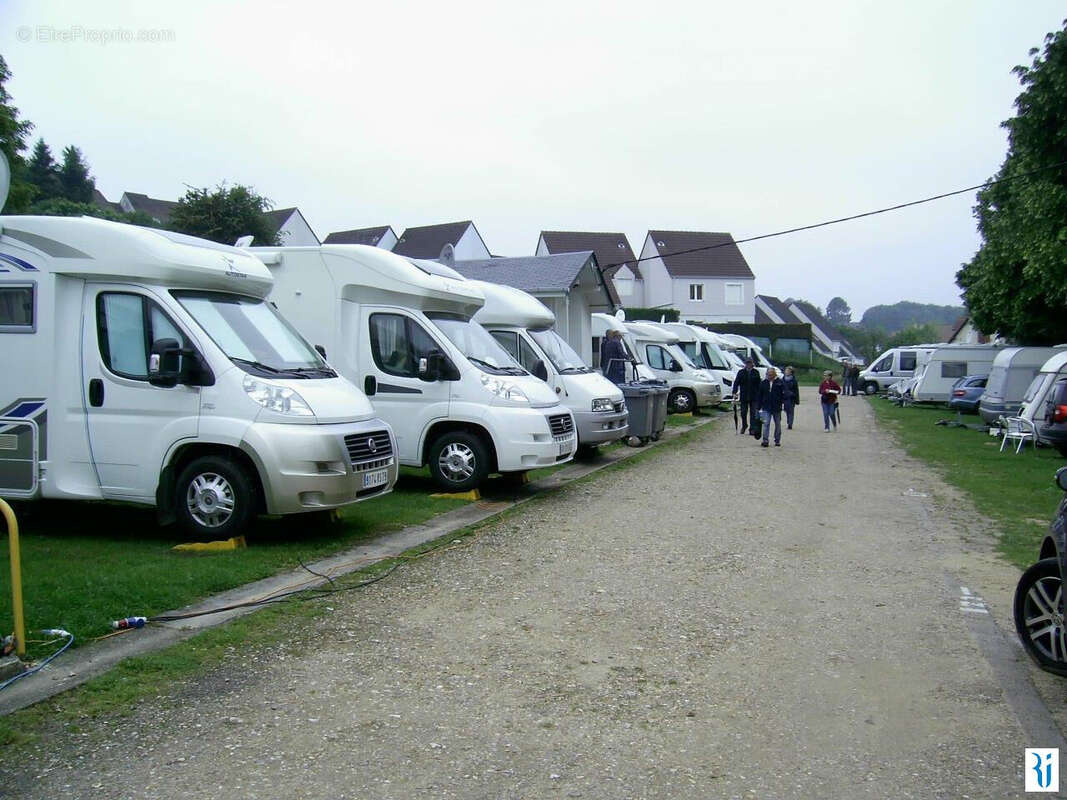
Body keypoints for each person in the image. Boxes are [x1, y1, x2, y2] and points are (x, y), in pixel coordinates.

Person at [756, 366, 785, 447]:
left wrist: (782, 402)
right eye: (768, 374)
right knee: (766, 424)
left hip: (776, 407)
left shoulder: (780, 382)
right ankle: (765, 440)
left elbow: (784, 394)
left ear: (774, 374)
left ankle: (777, 440)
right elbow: (760, 395)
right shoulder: (763, 383)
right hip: (766, 406)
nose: (770, 376)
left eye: (771, 374)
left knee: (778, 424)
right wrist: (758, 407)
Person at [733, 358, 762, 437]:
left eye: (750, 363)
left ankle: (752, 429)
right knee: (743, 412)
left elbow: (759, 384)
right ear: (745, 364)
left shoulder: (756, 372)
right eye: (747, 363)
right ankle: (744, 425)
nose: (748, 364)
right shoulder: (741, 372)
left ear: (752, 364)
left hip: (754, 396)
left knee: (753, 413)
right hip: (744, 396)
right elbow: (736, 382)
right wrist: (734, 392)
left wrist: (760, 394)